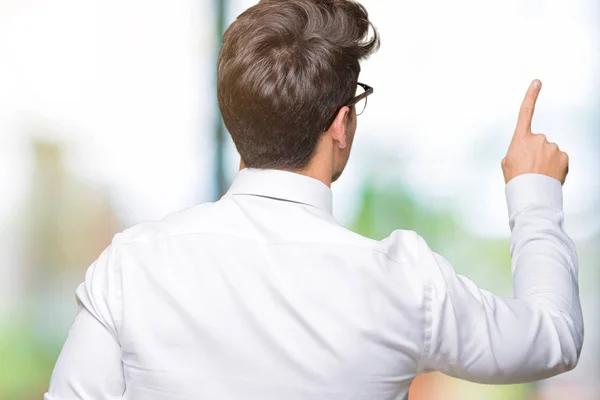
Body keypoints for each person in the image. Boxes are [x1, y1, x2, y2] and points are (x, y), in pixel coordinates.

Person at [45, 0, 583, 399]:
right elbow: (554, 337)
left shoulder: (130, 266)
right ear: (342, 125)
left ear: (233, 120)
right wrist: (533, 192)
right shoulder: (403, 282)